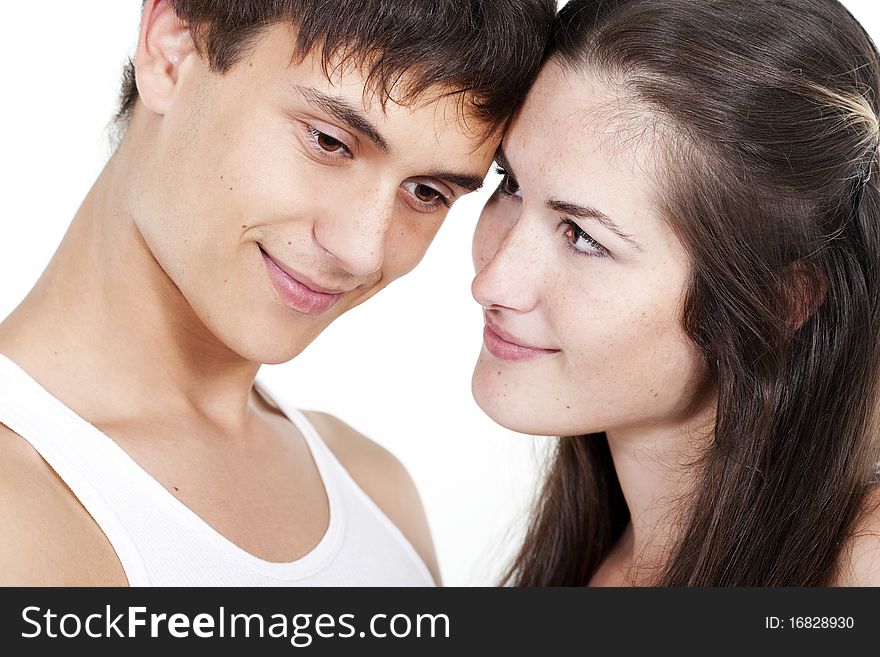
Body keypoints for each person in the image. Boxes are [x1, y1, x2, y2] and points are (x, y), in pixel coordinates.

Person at [0, 0, 555, 586]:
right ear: (174, 48)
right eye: (329, 142)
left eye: (425, 192)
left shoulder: (375, 490)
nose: (364, 249)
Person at [472, 0, 880, 586]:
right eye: (509, 183)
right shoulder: (597, 560)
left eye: (584, 237)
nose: (490, 282)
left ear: (779, 302)